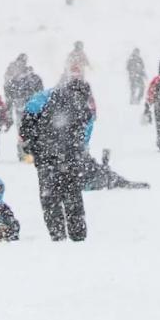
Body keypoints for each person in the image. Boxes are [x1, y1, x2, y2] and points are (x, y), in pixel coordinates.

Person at [20, 78, 94, 241]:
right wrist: (78, 151)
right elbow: (86, 134)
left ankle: (57, 234)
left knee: (49, 195)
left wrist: (27, 139)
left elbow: (29, 110)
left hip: (46, 154)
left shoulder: (47, 95)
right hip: (70, 157)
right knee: (73, 194)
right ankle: (78, 234)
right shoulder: (84, 107)